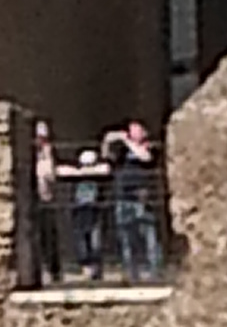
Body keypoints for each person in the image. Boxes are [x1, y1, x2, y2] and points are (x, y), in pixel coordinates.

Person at [109, 118, 163, 285]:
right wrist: (108, 140)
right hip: (123, 198)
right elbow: (108, 157)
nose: (132, 133)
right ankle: (131, 274)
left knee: (149, 237)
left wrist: (127, 141)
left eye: (136, 129)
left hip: (141, 198)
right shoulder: (123, 151)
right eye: (130, 130)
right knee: (127, 239)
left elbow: (145, 157)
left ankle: (154, 272)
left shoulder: (150, 147)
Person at [67, 147, 106, 281]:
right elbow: (62, 170)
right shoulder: (77, 176)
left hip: (94, 209)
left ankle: (96, 269)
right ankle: (86, 269)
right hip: (80, 209)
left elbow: (105, 169)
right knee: (81, 240)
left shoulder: (99, 173)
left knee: (95, 242)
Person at [32, 120, 62, 285]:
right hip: (33, 200)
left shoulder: (49, 155)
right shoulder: (30, 156)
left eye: (43, 138)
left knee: (49, 237)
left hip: (47, 199)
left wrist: (47, 155)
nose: (41, 142)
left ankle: (53, 270)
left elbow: (51, 175)